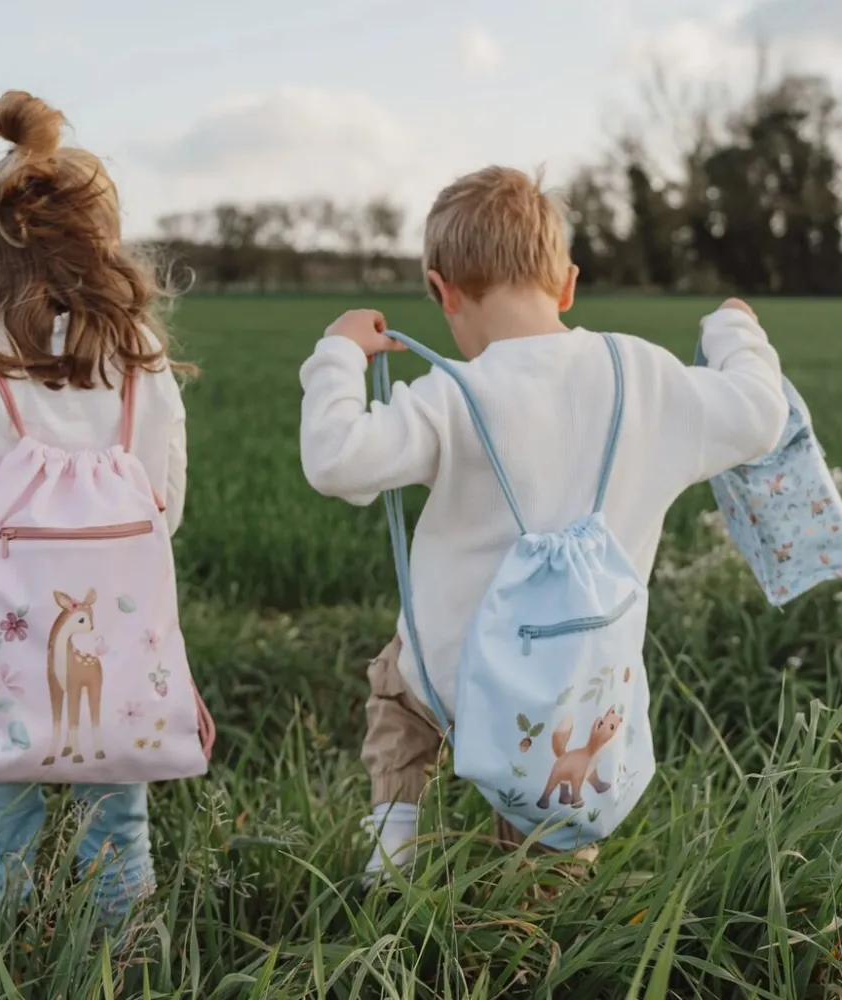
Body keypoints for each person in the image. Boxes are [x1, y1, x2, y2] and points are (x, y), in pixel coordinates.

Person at [298, 165, 789, 880]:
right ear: (568, 284)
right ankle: (543, 911)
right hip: (573, 678)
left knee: (397, 697)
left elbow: (335, 459)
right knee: (555, 803)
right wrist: (734, 329)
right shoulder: (646, 377)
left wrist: (340, 352)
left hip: (450, 670)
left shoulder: (453, 391)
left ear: (442, 290)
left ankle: (393, 860)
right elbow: (761, 413)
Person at [0, 91, 193, 986]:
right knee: (120, 847)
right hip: (118, 645)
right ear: (105, 245)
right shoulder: (138, 352)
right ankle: (129, 979)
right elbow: (164, 506)